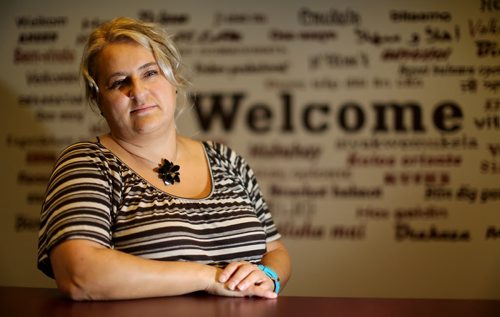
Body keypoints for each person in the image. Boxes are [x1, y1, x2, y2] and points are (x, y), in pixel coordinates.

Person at [37, 16, 291, 301]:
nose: (138, 91)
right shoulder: (88, 163)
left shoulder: (226, 160)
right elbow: (78, 275)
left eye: (150, 73)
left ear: (174, 80)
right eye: (119, 82)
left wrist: (269, 277)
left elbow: (275, 251)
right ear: (99, 102)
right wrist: (208, 277)